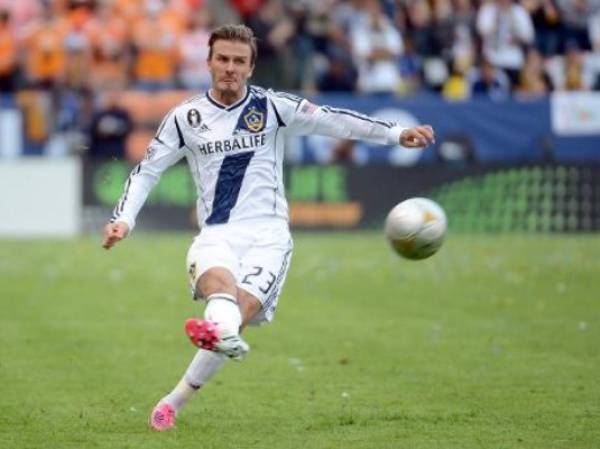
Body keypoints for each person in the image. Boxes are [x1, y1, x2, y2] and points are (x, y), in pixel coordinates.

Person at [101, 24, 435, 432]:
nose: (229, 68)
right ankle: (216, 347)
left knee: (231, 315)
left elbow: (335, 122)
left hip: (269, 237)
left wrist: (397, 133)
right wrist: (124, 218)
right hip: (217, 232)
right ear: (208, 63)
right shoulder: (185, 117)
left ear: (251, 68)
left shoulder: (274, 107)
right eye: (222, 59)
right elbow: (147, 170)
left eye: (239, 61)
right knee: (219, 291)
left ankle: (178, 394)